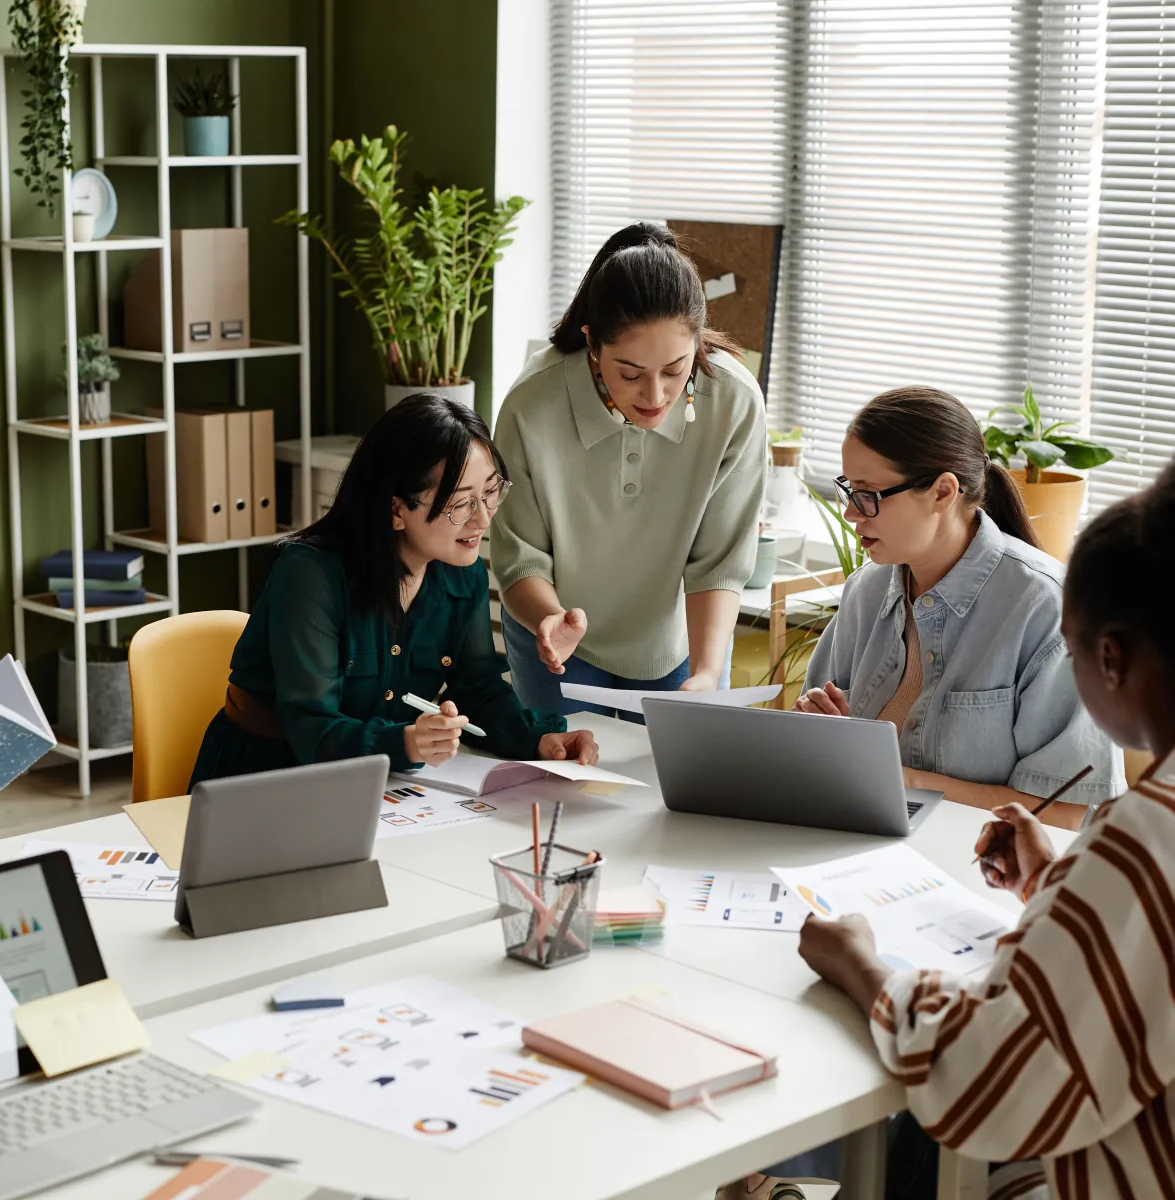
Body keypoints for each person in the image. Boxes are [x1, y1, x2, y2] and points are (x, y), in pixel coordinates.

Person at [798, 454, 1175, 1199]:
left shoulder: (1145, 839)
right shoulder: (1143, 840)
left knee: (923, 1147)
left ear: (1109, 658)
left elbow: (985, 1082)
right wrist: (1058, 886)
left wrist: (862, 968)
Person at [189, 394, 596, 787]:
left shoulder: (461, 573)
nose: (483, 518)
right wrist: (406, 742)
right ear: (397, 509)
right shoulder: (309, 576)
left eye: (490, 492)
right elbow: (311, 727)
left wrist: (539, 741)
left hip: (376, 782)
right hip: (265, 779)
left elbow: (477, 690)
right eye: (460, 503)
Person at [797, 387, 1122, 824]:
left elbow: (1067, 812)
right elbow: (815, 748)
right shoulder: (866, 592)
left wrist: (904, 781)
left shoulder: (1048, 610)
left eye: (868, 494)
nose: (852, 514)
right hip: (857, 853)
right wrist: (815, 738)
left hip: (986, 875)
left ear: (943, 492)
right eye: (848, 490)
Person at [492, 221, 766, 722]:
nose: (655, 395)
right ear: (592, 342)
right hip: (556, 634)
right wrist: (551, 623)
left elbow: (719, 562)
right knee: (562, 784)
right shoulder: (532, 404)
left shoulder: (734, 401)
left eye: (675, 369)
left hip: (679, 638)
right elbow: (520, 557)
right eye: (630, 373)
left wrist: (706, 672)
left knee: (682, 786)